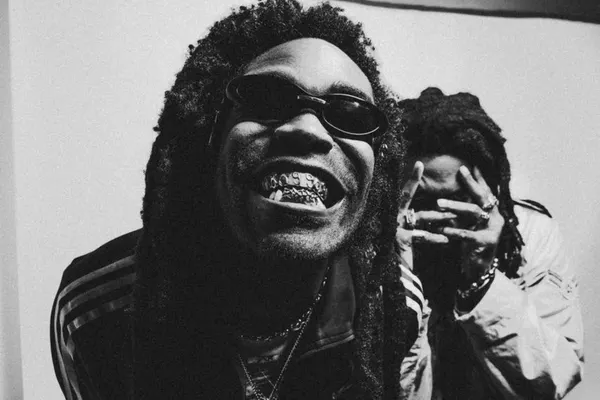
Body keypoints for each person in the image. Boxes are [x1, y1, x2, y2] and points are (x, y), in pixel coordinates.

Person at [50, 1, 426, 399]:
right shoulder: (95, 311)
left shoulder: (393, 305)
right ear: (208, 137)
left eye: (351, 116)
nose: (309, 129)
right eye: (267, 99)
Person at [395, 87, 584, 399]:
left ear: (491, 189)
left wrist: (482, 279)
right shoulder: (372, 239)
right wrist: (398, 279)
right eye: (422, 200)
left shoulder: (530, 235)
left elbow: (550, 383)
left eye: (457, 200)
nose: (440, 216)